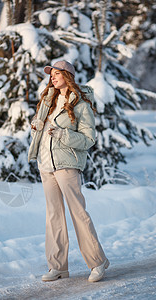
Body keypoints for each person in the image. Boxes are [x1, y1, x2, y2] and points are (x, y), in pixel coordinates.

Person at [28, 60, 109, 282]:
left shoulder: (80, 104)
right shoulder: (48, 101)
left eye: (56, 73)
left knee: (78, 213)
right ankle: (58, 266)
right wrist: (37, 126)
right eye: (51, 74)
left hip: (67, 164)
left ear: (68, 75)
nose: (52, 77)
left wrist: (63, 134)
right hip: (46, 164)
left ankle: (97, 262)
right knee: (53, 216)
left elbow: (89, 139)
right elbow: (44, 131)